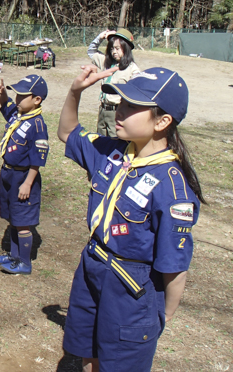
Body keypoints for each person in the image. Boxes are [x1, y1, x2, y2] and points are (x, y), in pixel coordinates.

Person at [57, 66, 205, 372]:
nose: (119, 111)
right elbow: (67, 133)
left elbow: (174, 266)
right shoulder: (113, 152)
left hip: (130, 288)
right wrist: (75, 92)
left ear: (163, 121)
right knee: (89, 353)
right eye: (120, 103)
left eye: (132, 106)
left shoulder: (172, 187)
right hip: (93, 267)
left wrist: (162, 316)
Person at [0, 75, 49, 275]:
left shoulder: (38, 125)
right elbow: (5, 107)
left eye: (22, 96)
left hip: (23, 177)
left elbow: (37, 159)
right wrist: (4, 95)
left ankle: (24, 262)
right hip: (8, 173)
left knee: (23, 222)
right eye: (16, 95)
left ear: (37, 100)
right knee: (13, 218)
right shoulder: (18, 115)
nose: (17, 100)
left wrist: (27, 183)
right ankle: (13, 256)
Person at [87, 28, 140, 137]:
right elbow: (91, 51)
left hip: (117, 112)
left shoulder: (133, 69)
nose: (114, 52)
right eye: (112, 48)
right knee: (100, 140)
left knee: (115, 142)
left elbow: (136, 94)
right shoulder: (106, 62)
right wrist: (100, 37)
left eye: (117, 48)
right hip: (103, 109)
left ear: (126, 48)